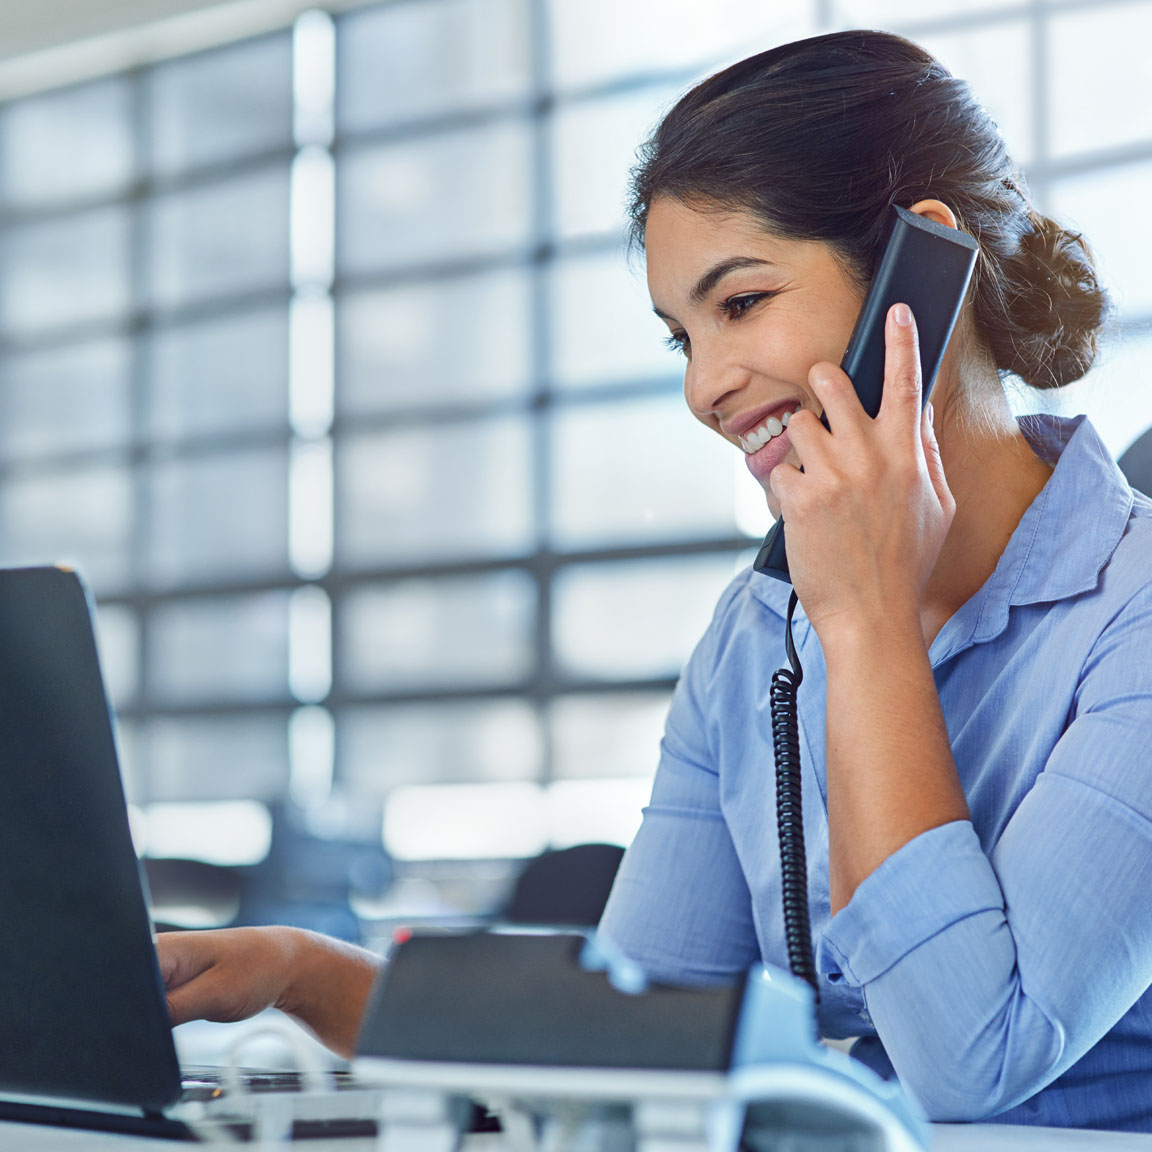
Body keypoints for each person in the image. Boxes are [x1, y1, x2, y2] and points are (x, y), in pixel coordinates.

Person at [156, 29, 1152, 1131]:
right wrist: (303, 974)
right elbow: (623, 1053)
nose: (707, 389)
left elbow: (974, 1055)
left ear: (925, 273)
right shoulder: (756, 637)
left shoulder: (1128, 608)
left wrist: (867, 624)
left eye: (741, 303)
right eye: (682, 338)